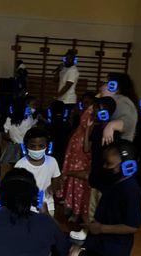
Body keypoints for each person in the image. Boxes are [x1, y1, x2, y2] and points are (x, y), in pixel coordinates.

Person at [68, 96, 119, 241]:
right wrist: (88, 129)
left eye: (98, 110)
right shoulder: (96, 128)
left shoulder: (112, 130)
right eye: (95, 110)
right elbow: (86, 149)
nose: (95, 113)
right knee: (92, 206)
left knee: (102, 206)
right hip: (95, 173)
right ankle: (87, 232)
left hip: (106, 176)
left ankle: (98, 234)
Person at [58, 92, 95, 224]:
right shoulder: (85, 111)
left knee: (79, 180)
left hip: (82, 153)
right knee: (72, 178)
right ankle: (71, 206)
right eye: (83, 102)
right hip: (75, 149)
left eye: (87, 102)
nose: (84, 105)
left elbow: (88, 134)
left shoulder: (93, 113)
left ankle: (77, 210)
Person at [15, 127, 62, 217]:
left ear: (47, 146)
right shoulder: (20, 165)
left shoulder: (52, 162)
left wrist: (55, 185)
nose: (37, 149)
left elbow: (55, 187)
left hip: (48, 206)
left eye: (41, 146)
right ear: (26, 146)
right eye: (33, 146)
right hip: (27, 208)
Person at [99, 72, 139, 144]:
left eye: (104, 83)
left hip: (120, 148)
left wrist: (111, 125)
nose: (101, 87)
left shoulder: (121, 101)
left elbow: (129, 122)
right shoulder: (113, 101)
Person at [1, 98, 38, 165]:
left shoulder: (10, 118)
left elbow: (5, 132)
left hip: (13, 146)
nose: (33, 108)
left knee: (13, 166)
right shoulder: (29, 118)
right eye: (32, 105)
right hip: (24, 147)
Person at [44, 99, 73, 167]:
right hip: (63, 143)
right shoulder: (66, 121)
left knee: (51, 158)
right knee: (61, 159)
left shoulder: (51, 121)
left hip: (52, 143)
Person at [55, 49, 80, 113]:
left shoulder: (73, 70)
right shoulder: (63, 68)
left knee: (65, 120)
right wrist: (58, 70)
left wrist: (57, 96)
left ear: (73, 60)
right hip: (61, 98)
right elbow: (55, 80)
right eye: (66, 58)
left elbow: (68, 85)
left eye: (70, 58)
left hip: (68, 100)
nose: (68, 60)